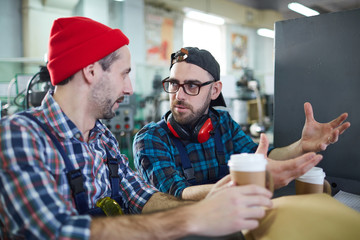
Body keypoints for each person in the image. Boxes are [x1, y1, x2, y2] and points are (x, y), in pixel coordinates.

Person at [0, 17, 273, 240]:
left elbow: (144, 197)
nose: (129, 88)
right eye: (124, 74)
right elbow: (55, 231)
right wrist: (192, 218)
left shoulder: (101, 138)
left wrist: (210, 202)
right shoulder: (19, 135)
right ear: (91, 72)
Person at [133, 47, 350, 200]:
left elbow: (261, 156)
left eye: (192, 85)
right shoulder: (150, 138)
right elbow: (176, 193)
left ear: (215, 90)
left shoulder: (222, 124)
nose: (179, 95)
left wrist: (301, 146)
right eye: (174, 84)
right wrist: (245, 184)